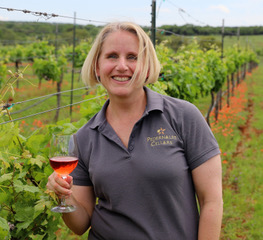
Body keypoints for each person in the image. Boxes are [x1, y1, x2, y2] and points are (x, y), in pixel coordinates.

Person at [47, 21, 223, 240]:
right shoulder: (84, 138)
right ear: (97, 67)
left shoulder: (183, 117)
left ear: (147, 66)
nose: (122, 66)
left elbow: (212, 202)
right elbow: (80, 224)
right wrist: (64, 196)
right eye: (112, 56)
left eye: (132, 57)